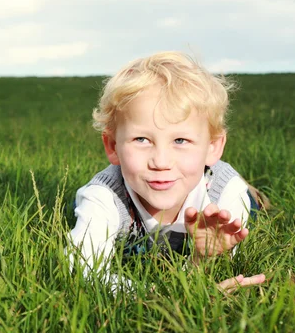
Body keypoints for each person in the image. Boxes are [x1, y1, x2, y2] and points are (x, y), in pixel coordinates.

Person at [69, 51, 266, 292]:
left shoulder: (224, 197)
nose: (161, 162)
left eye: (180, 140)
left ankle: (257, 196)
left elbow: (225, 264)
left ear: (212, 147)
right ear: (112, 146)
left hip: (216, 188)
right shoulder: (105, 196)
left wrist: (202, 259)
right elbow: (81, 270)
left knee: (250, 205)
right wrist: (160, 296)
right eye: (141, 139)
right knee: (81, 207)